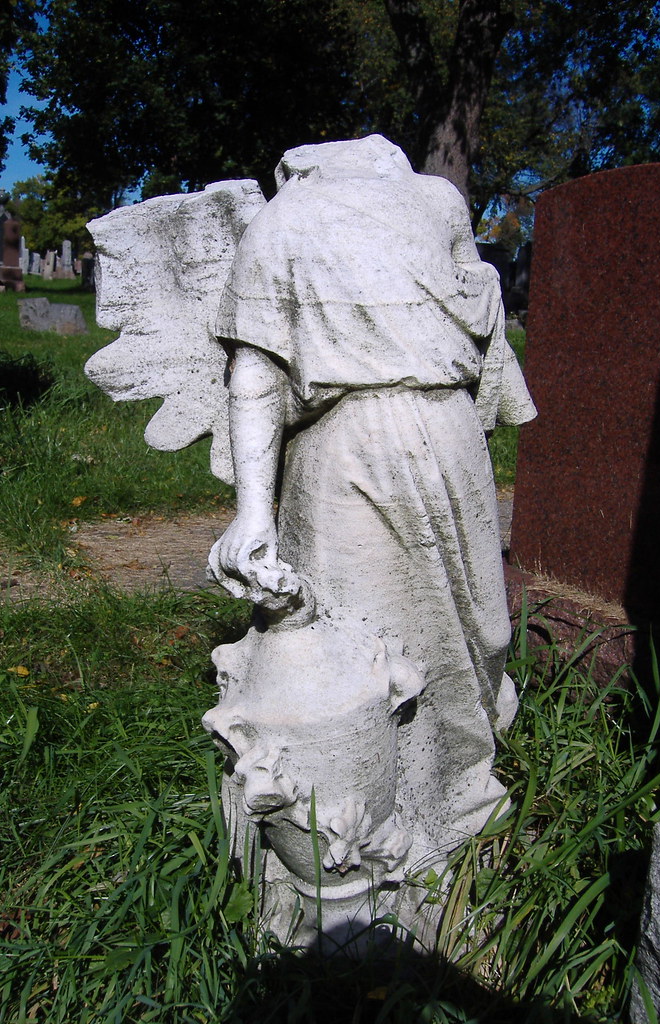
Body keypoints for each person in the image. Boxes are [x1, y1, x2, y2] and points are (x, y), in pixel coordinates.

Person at [207, 135, 536, 860]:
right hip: (400, 442)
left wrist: (256, 509)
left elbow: (256, 375)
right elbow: (256, 369)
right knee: (386, 637)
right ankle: (376, 832)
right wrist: (255, 512)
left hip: (391, 442)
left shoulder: (297, 219)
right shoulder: (417, 203)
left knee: (441, 631)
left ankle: (436, 809)